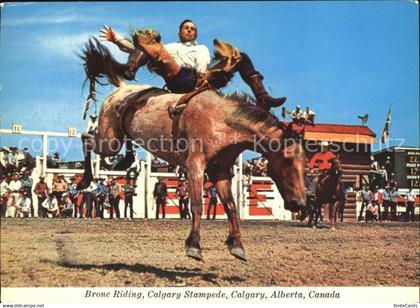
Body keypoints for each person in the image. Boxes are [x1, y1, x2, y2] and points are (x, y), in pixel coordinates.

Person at [99, 19, 286, 110]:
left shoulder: (202, 48)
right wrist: (115, 39)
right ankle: (130, 69)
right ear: (180, 32)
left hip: (203, 77)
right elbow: (138, 47)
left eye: (193, 28)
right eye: (186, 28)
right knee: (149, 45)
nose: (190, 30)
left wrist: (205, 76)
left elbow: (205, 65)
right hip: (180, 78)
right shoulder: (170, 48)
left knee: (240, 56)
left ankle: (262, 96)